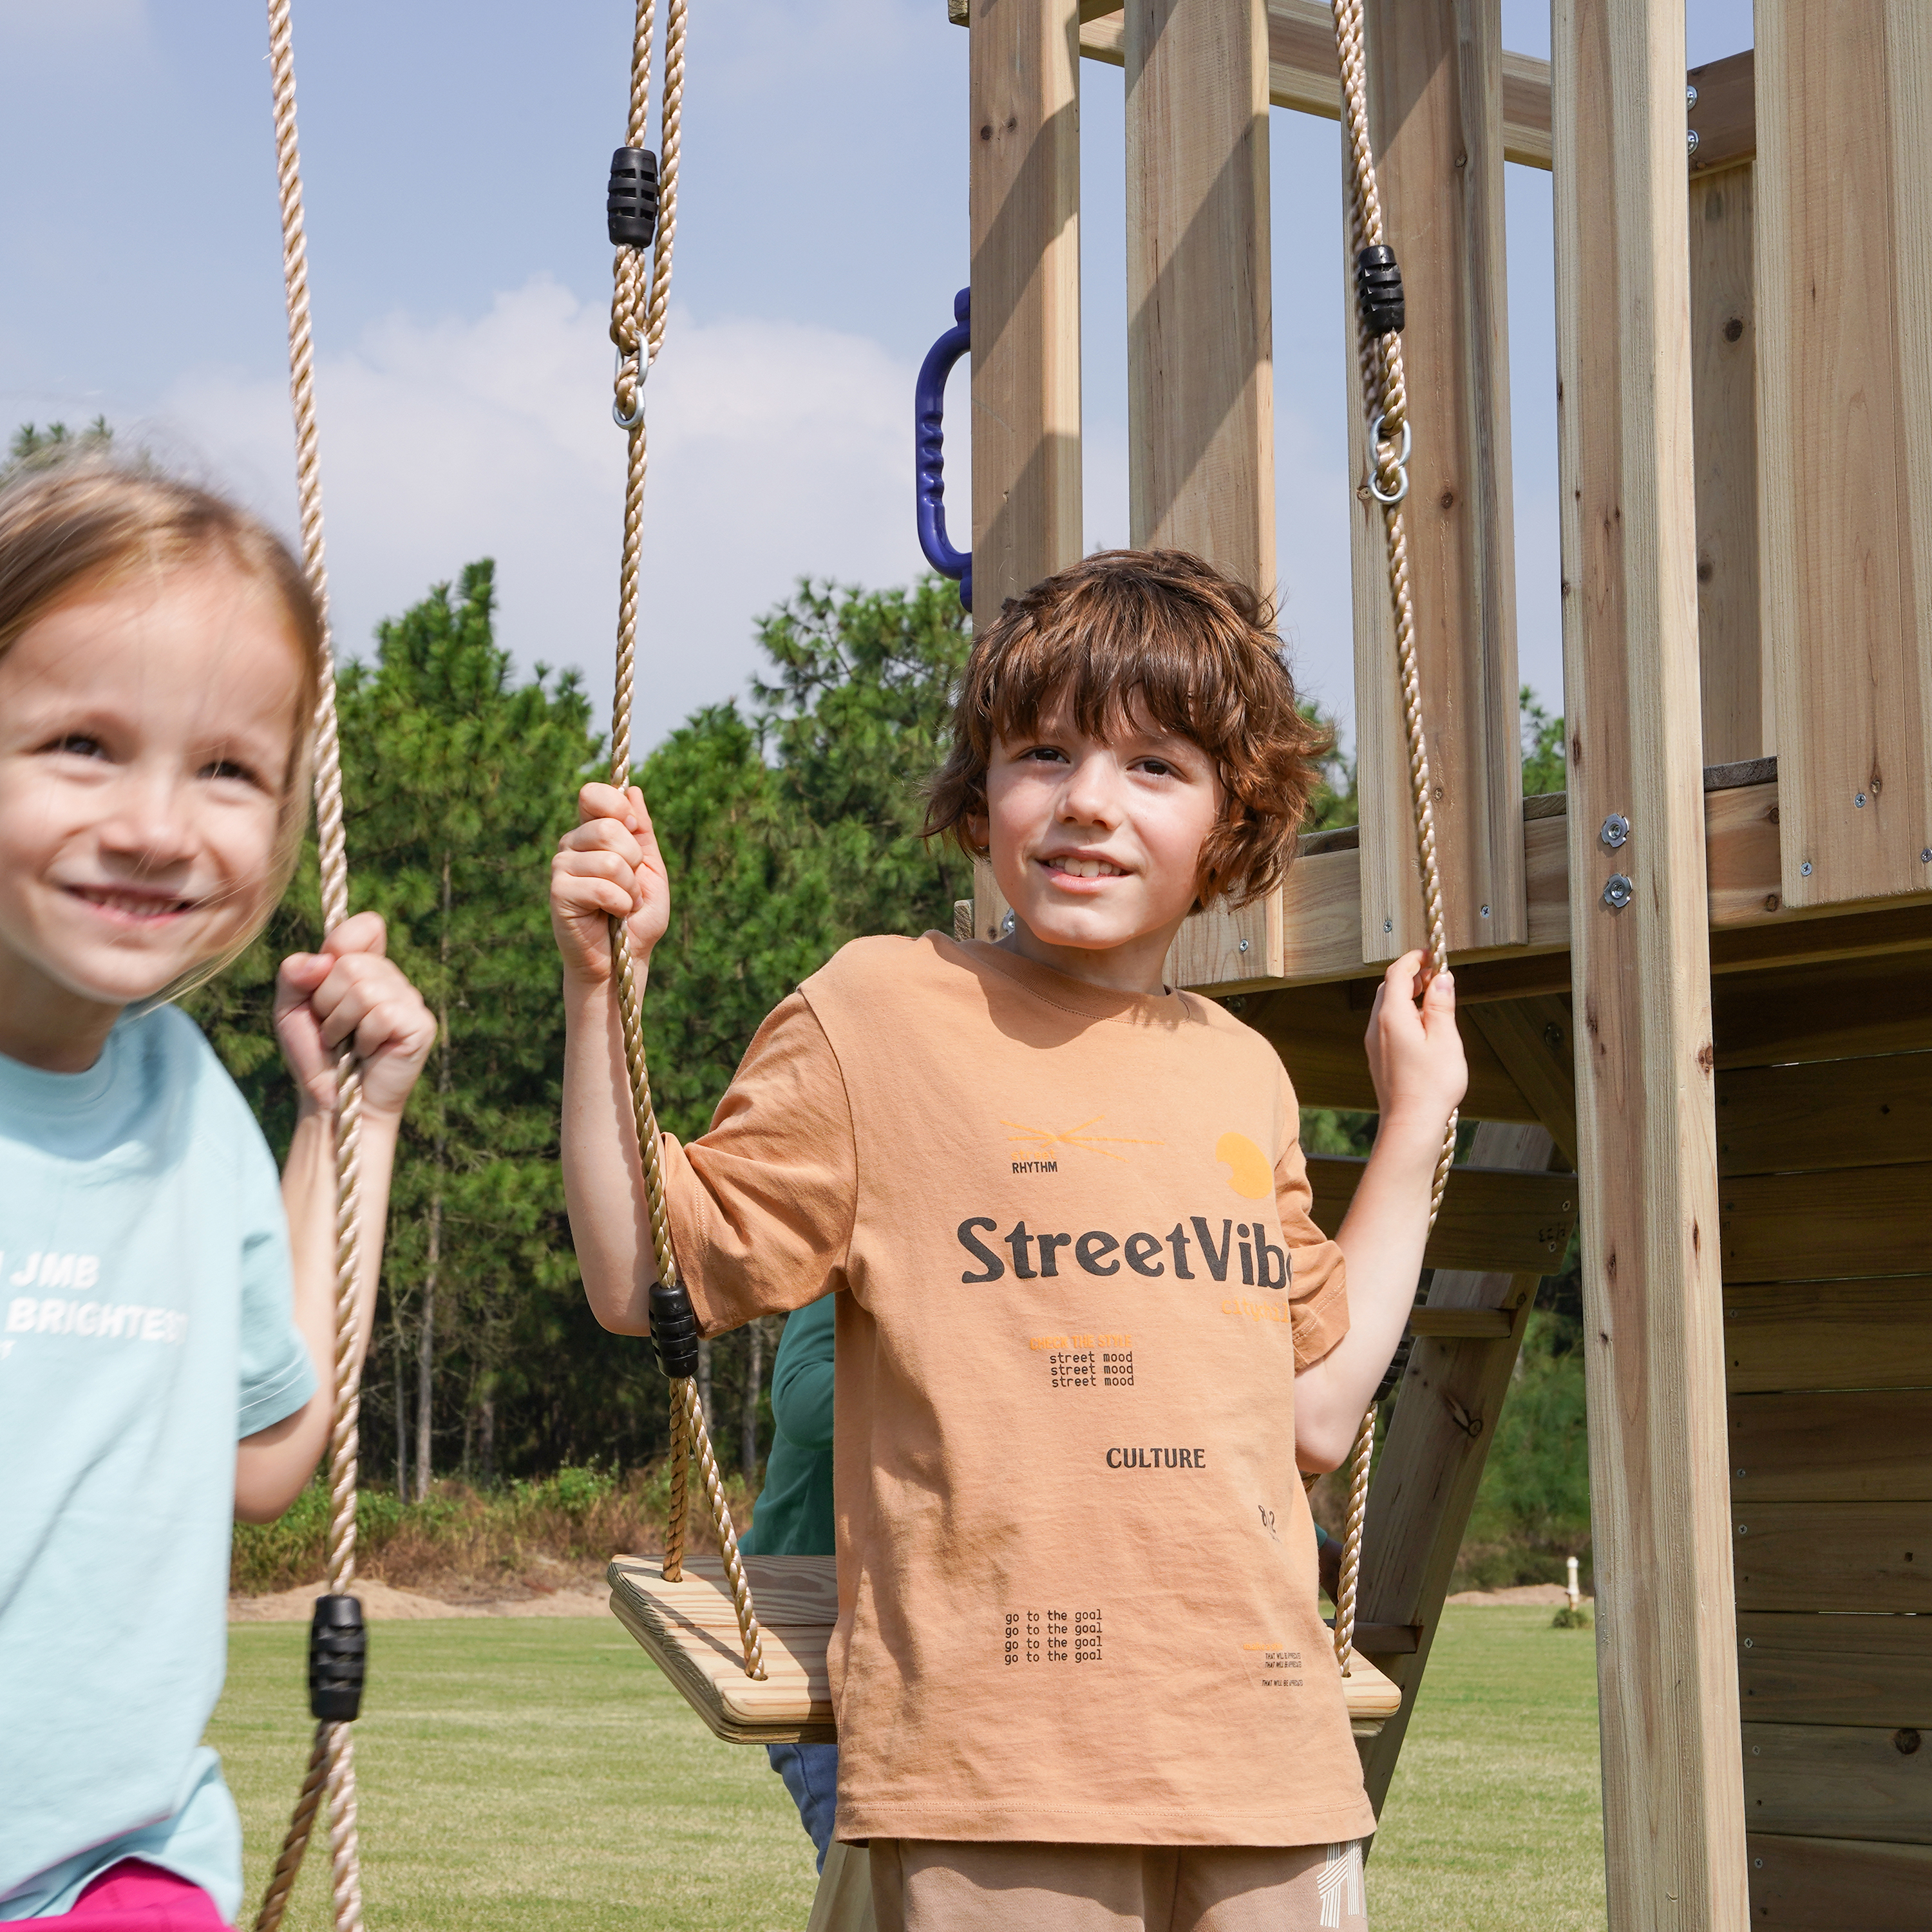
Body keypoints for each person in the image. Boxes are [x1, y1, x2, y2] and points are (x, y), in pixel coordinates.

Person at [552, 549, 1467, 1932]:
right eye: (1044, 755)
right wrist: (599, 997)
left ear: (1230, 825)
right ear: (981, 802)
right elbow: (643, 1276)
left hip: (1273, 1769)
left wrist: (1417, 1123)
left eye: (1154, 767)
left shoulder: (1243, 1074)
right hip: (990, 1781)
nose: (1089, 802)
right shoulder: (879, 1011)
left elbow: (1320, 1412)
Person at [0, 462, 435, 1927]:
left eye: (228, 770)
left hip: (113, 1864)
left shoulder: (185, 1095)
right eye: (81, 743)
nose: (157, 827)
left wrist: (347, 1122)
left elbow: (262, 1450)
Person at [741, 1296, 840, 1866]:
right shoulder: (855, 1254)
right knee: (862, 1867)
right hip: (805, 1614)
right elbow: (803, 1401)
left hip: (922, 1614)